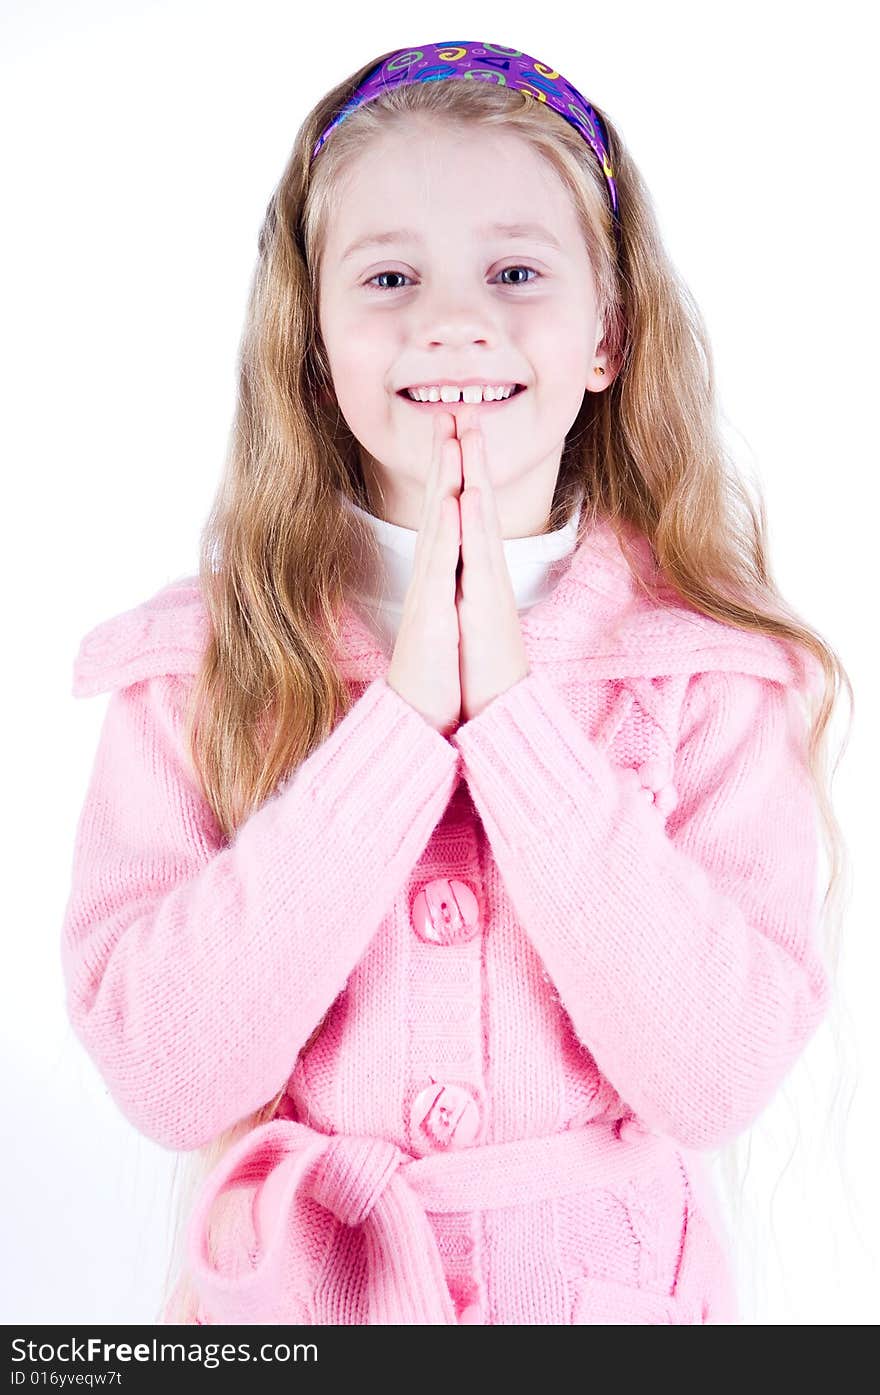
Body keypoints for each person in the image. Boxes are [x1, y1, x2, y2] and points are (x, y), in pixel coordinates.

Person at [60, 40, 851, 1325]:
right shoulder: (195, 666)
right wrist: (402, 724)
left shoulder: (711, 669)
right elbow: (165, 1077)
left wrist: (518, 722)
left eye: (515, 270)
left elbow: (711, 1081)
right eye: (386, 276)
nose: (452, 319)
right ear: (315, 351)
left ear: (607, 334)